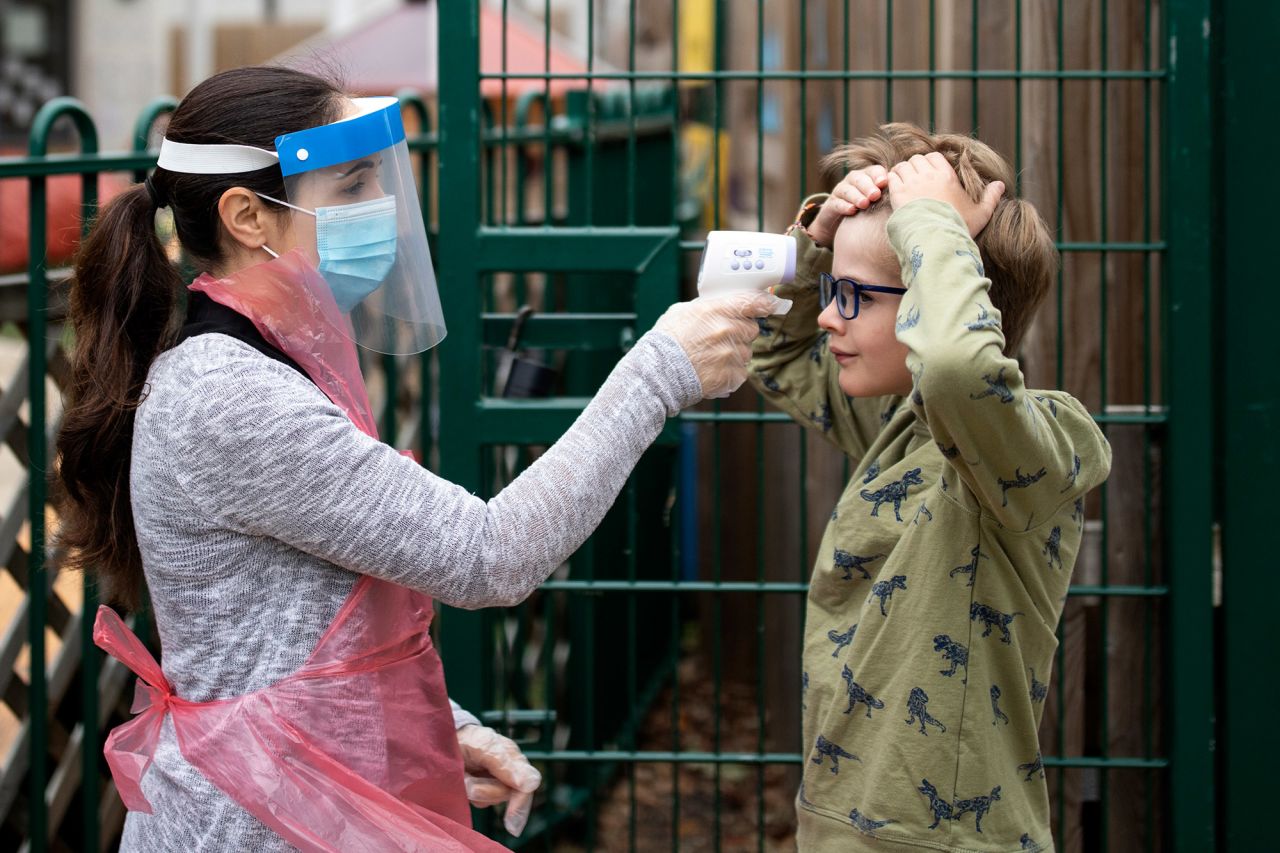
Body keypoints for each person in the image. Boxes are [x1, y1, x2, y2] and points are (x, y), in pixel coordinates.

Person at [54, 66, 781, 852]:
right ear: (247, 216)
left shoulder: (268, 359)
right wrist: (657, 372)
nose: (386, 209)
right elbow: (488, 554)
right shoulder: (230, 393)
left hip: (295, 794)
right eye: (355, 185)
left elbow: (290, 627)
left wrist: (443, 727)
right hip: (255, 816)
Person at [749, 123, 1111, 851]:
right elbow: (768, 347)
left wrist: (931, 225)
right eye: (828, 291)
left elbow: (954, 364)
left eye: (854, 295)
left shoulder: (1034, 442)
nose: (827, 315)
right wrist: (818, 237)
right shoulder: (900, 422)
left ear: (938, 293)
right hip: (838, 826)